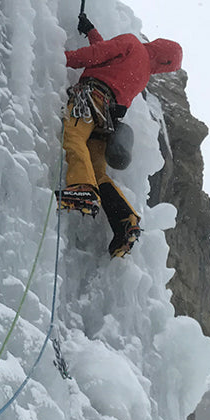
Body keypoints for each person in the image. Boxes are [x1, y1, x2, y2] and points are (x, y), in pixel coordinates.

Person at [58, 13, 183, 258]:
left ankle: (82, 188)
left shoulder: (132, 44)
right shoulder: (144, 71)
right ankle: (125, 220)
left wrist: (61, 59)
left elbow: (98, 56)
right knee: (97, 169)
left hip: (90, 99)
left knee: (74, 137)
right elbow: (108, 58)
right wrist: (91, 31)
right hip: (107, 119)